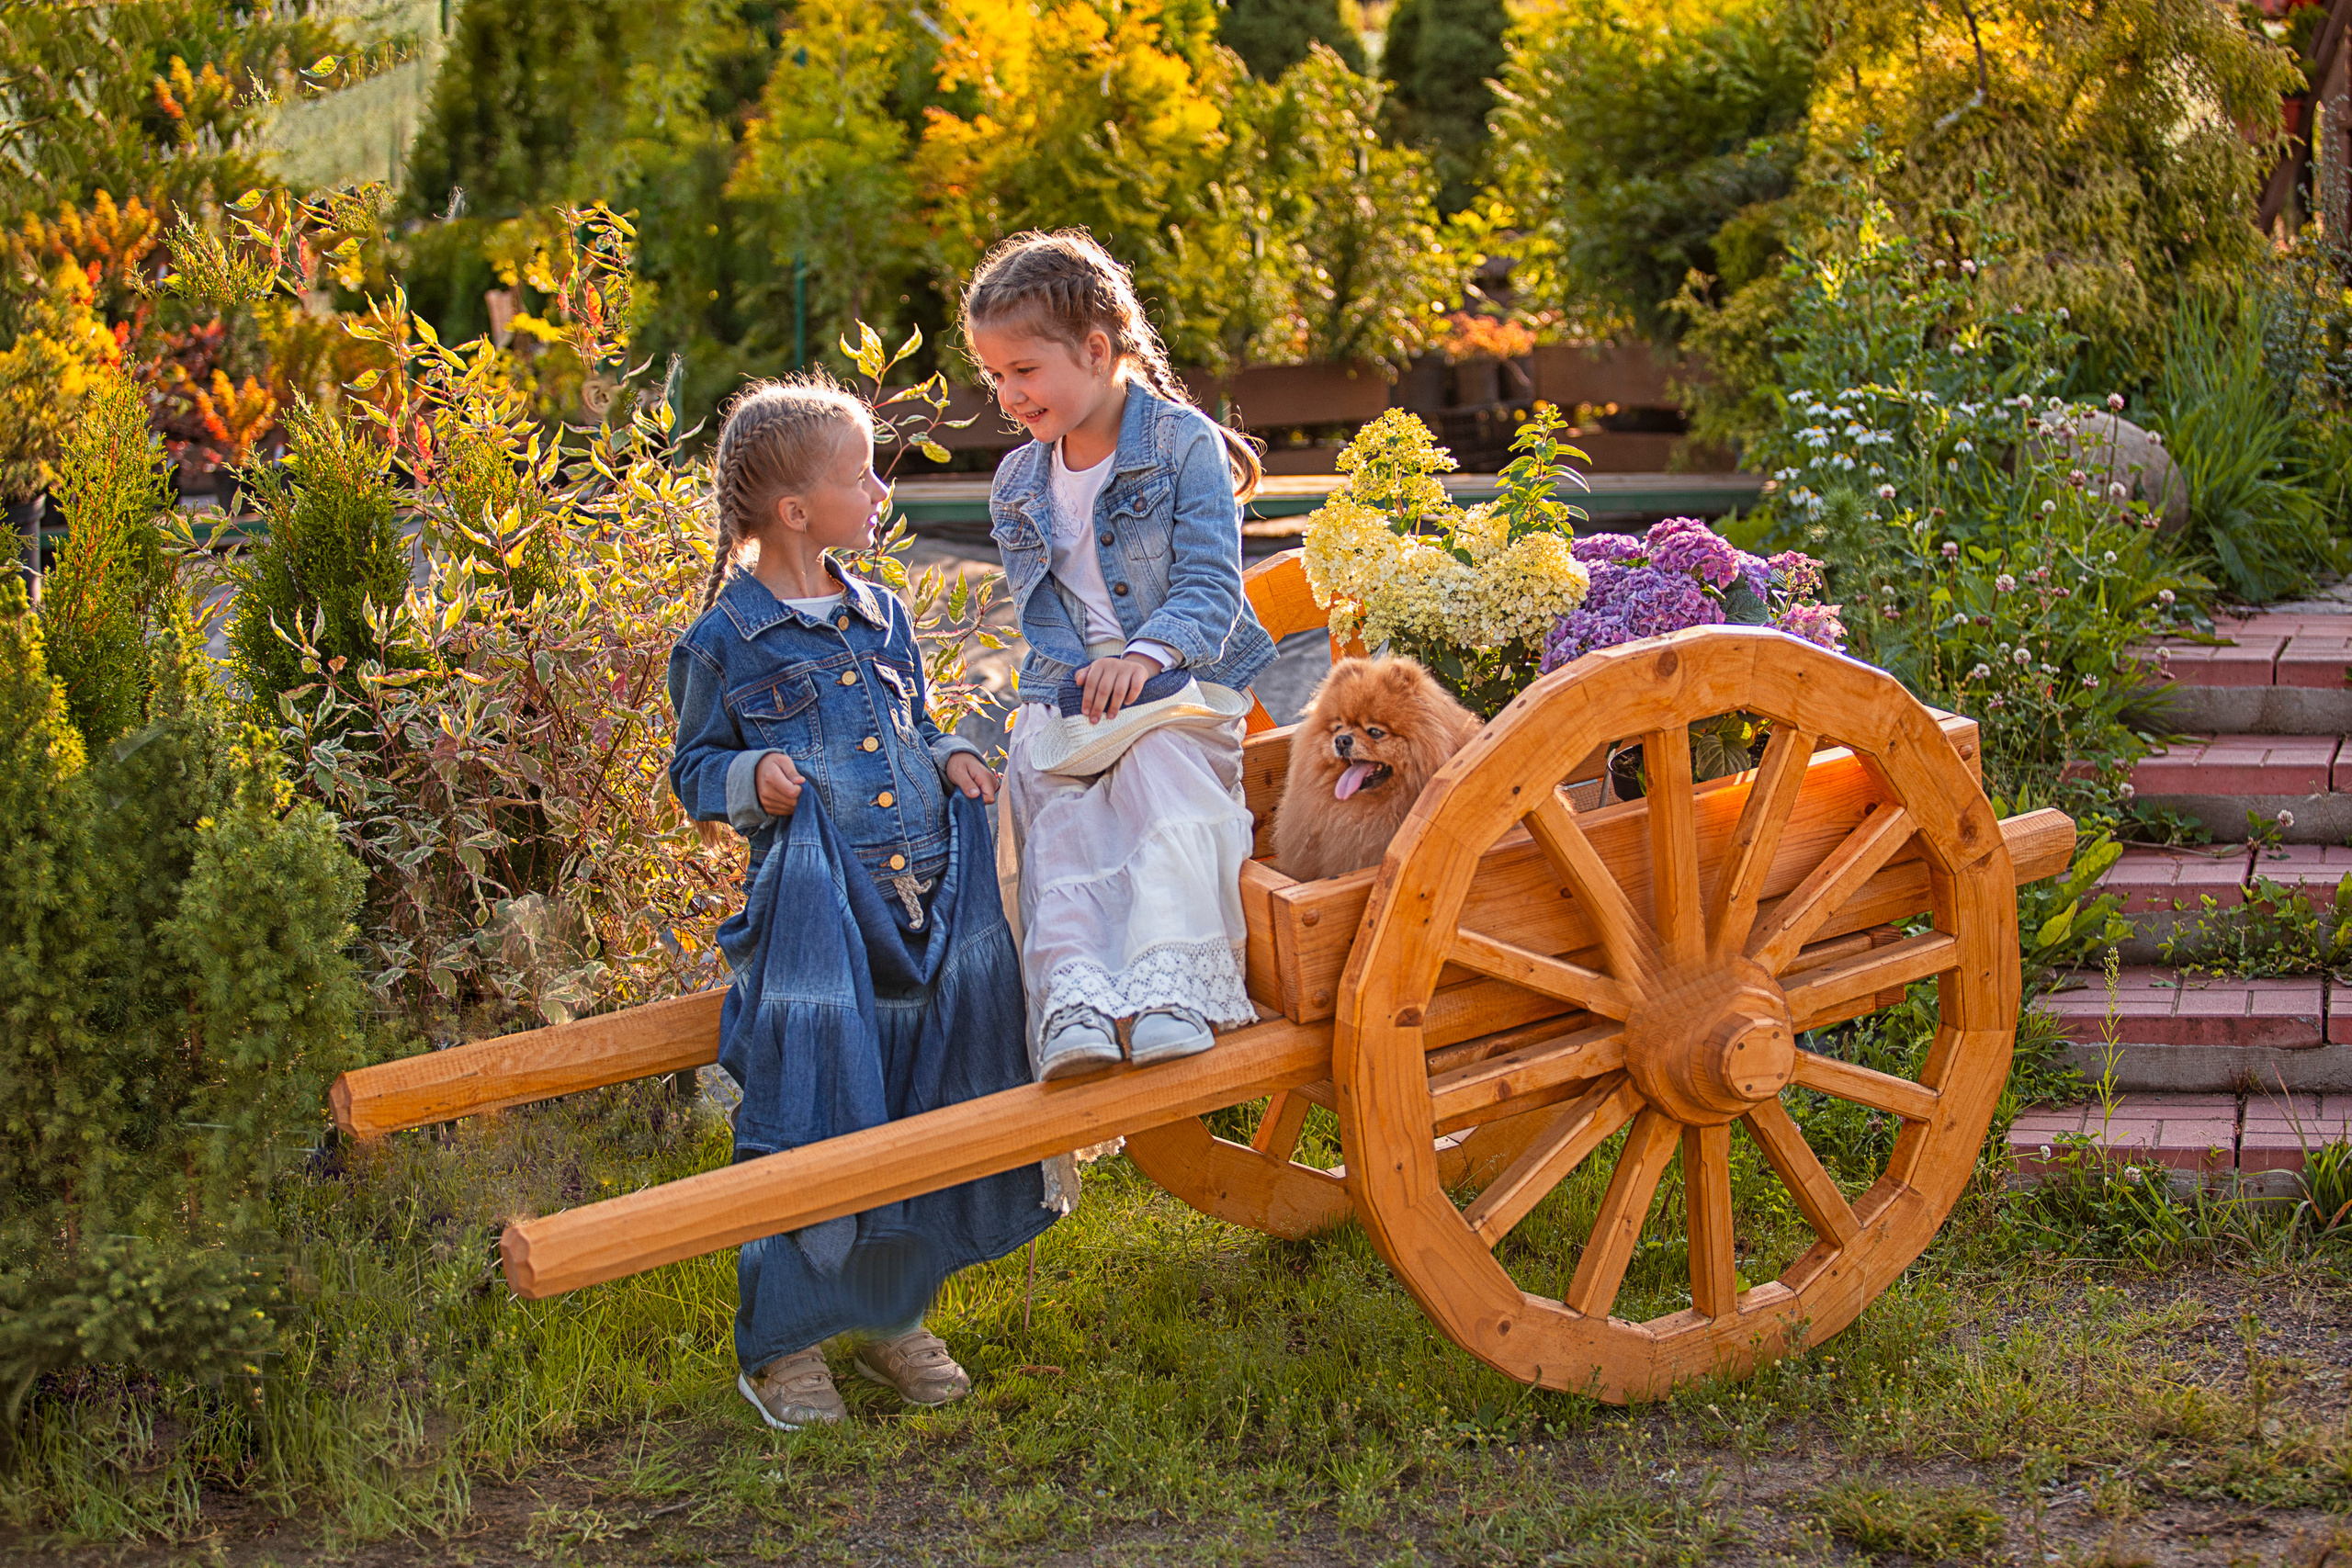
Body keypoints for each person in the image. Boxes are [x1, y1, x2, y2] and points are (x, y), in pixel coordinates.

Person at [668, 378, 1057, 1431]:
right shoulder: (725, 642)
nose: (881, 488)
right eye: (861, 474)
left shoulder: (879, 615)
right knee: (812, 1111)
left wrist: (956, 756)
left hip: (920, 903)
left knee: (909, 1104)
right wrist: (754, 783)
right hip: (819, 921)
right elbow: (696, 768)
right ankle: (784, 1342)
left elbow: (915, 729)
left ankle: (889, 1316)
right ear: (795, 511)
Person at [963, 230, 1276, 1082]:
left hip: (1175, 688)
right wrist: (1073, 687)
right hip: (1078, 706)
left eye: (1024, 371)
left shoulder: (1181, 446)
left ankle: (1170, 990)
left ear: (1097, 350)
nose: (1008, 395)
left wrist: (1143, 656)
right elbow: (1048, 619)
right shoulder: (1018, 480)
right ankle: (1078, 1005)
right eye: (995, 377)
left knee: (1159, 781)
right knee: (1058, 819)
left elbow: (1212, 584)